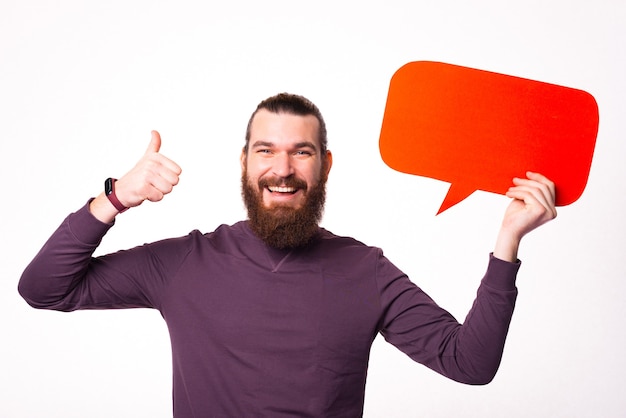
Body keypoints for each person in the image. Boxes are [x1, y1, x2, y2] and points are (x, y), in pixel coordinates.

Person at [19, 93, 557, 417]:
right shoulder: (184, 263)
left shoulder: (365, 271)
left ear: (324, 165)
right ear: (245, 163)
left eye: (301, 152)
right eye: (266, 150)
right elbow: (43, 288)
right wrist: (114, 199)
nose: (283, 168)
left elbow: (470, 362)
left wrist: (506, 244)